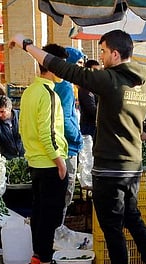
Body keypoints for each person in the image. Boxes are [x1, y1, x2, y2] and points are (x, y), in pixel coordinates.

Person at [9, 30, 146, 264]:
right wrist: (134, 134)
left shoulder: (110, 79)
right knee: (132, 218)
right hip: (133, 165)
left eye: (104, 51)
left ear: (116, 54)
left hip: (109, 167)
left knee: (112, 226)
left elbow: (65, 69)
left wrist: (27, 45)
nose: (102, 56)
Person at [18, 43, 72, 264]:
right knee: (49, 215)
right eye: (61, 65)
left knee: (39, 212)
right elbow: (47, 132)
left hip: (35, 162)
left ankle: (38, 258)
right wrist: (59, 161)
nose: (65, 70)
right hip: (49, 163)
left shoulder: (30, 91)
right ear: (51, 65)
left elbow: (24, 129)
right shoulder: (48, 94)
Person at [53, 46, 84, 222]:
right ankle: (58, 229)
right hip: (67, 147)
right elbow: (64, 119)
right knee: (65, 191)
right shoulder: (64, 86)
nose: (81, 67)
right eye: (78, 63)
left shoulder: (59, 84)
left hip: (59, 145)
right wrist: (78, 138)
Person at [0, 95, 25, 159]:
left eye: (2, 111)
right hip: (9, 159)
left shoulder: (21, 116)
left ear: (10, 108)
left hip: (26, 156)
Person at [78, 59, 101, 138]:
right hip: (88, 129)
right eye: (94, 70)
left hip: (94, 127)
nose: (97, 74)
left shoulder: (95, 88)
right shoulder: (85, 89)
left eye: (98, 71)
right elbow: (91, 109)